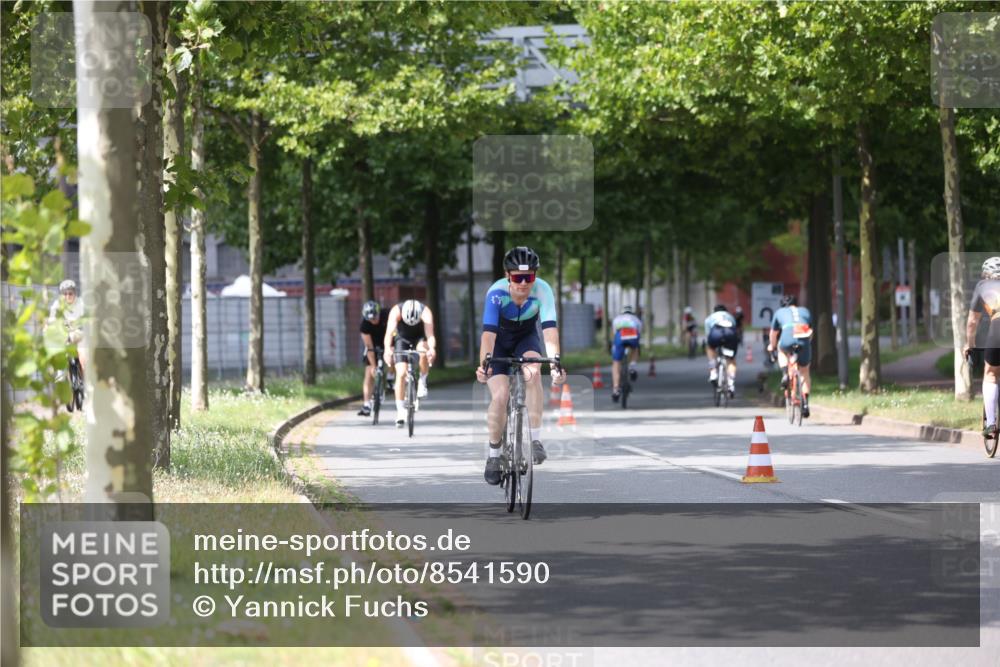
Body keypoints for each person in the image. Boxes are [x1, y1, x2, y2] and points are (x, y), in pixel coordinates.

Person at [476, 246, 566, 486]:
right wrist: (484, 364)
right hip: (499, 343)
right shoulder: (496, 293)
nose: (524, 283)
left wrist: (555, 363)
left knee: (533, 373)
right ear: (508, 276)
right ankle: (494, 455)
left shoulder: (543, 291)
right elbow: (488, 336)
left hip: (526, 338)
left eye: (529, 277)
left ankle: (535, 440)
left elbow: (549, 331)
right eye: (518, 277)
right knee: (501, 394)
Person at [382, 299, 436, 427]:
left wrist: (432, 349)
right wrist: (387, 350)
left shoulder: (426, 312)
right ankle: (400, 411)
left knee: (423, 351)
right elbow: (389, 334)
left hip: (419, 338)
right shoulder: (396, 311)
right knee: (400, 373)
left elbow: (430, 335)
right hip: (402, 338)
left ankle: (422, 380)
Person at [963, 256, 1000, 439]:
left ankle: (991, 424)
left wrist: (969, 345)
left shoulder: (982, 286)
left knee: (991, 373)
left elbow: (972, 322)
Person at [768, 294, 813, 418]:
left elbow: (773, 334)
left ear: (783, 305)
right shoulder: (805, 310)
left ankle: (785, 374)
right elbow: (810, 331)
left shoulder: (780, 312)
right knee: (804, 372)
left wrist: (772, 346)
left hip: (787, 335)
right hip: (803, 336)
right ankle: (805, 404)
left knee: (780, 349)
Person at [48, 279, 86, 372]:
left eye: (70, 293)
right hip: (64, 335)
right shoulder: (57, 304)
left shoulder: (81, 303)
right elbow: (51, 319)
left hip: (79, 335)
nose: (68, 296)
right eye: (65, 294)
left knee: (84, 356)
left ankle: (86, 378)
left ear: (75, 294)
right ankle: (60, 379)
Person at [357, 300, 388, 417]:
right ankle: (366, 404)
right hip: (373, 345)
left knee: (395, 360)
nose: (373, 321)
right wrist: (374, 366)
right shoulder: (364, 325)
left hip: (389, 342)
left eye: (375, 318)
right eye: (370, 319)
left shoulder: (387, 315)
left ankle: (390, 378)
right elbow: (369, 347)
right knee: (369, 373)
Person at [704, 304, 739, 396]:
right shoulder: (730, 317)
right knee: (731, 360)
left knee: (710, 348)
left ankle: (713, 372)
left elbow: (708, 335)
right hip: (730, 335)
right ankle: (731, 383)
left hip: (716, 334)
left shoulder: (710, 318)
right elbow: (735, 330)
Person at [610, 305, 642, 402]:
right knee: (635, 347)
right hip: (633, 333)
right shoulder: (636, 319)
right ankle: (632, 366)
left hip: (620, 334)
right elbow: (639, 333)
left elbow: (615, 333)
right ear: (631, 312)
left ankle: (616, 389)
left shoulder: (617, 319)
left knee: (616, 363)